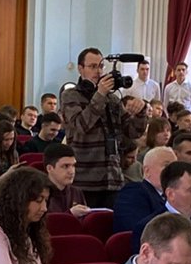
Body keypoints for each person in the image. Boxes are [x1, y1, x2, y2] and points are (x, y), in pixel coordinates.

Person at [62, 48, 149, 208]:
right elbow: (80, 126)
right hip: (85, 178)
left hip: (112, 177)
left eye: (101, 67)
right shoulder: (71, 95)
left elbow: (132, 131)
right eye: (93, 66)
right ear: (81, 69)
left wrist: (141, 112)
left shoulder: (112, 98)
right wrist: (99, 95)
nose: (98, 71)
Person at [113, 146, 178, 244]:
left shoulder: (172, 196)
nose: (173, 172)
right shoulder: (134, 192)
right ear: (147, 171)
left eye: (175, 167)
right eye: (166, 167)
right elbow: (138, 230)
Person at [43, 144, 89, 216]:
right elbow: (43, 224)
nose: (72, 171)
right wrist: (70, 214)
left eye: (73, 165)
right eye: (65, 166)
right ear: (49, 168)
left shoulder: (76, 192)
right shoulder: (40, 194)